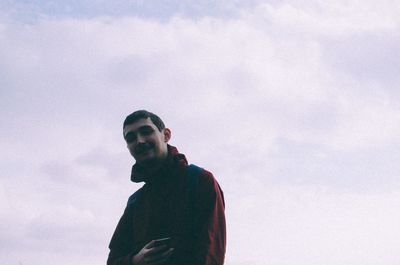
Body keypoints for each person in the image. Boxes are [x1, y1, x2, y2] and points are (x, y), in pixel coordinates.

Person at [107, 110, 226, 265]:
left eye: (146, 131)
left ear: (166, 135)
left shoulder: (199, 180)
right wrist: (135, 261)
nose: (140, 141)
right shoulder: (135, 202)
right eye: (131, 138)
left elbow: (211, 252)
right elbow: (113, 260)